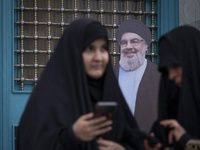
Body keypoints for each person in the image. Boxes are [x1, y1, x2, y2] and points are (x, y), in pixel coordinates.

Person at [16, 18, 143, 150]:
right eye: (89, 49)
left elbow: (134, 140)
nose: (99, 57)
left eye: (103, 48)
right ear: (73, 52)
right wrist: (71, 136)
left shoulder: (110, 93)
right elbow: (31, 143)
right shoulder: (48, 100)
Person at [144, 26, 200, 150]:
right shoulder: (168, 120)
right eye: (167, 70)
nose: (171, 76)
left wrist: (186, 141)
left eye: (175, 67)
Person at [113, 19, 160, 132]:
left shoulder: (159, 76)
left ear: (146, 45)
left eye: (134, 41)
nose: (128, 47)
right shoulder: (109, 74)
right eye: (124, 43)